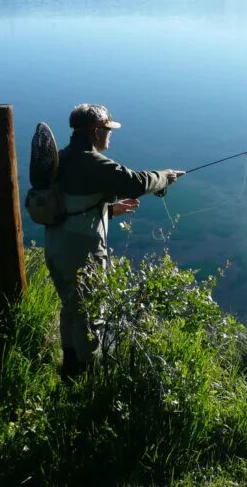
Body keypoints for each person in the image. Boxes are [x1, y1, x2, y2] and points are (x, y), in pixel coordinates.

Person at [44, 103, 184, 377]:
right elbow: (136, 183)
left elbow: (68, 203)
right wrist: (165, 177)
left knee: (71, 307)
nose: (110, 134)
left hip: (56, 245)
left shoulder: (61, 158)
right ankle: (88, 374)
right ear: (96, 132)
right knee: (91, 311)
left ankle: (70, 366)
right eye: (108, 129)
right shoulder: (92, 161)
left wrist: (107, 209)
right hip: (82, 250)